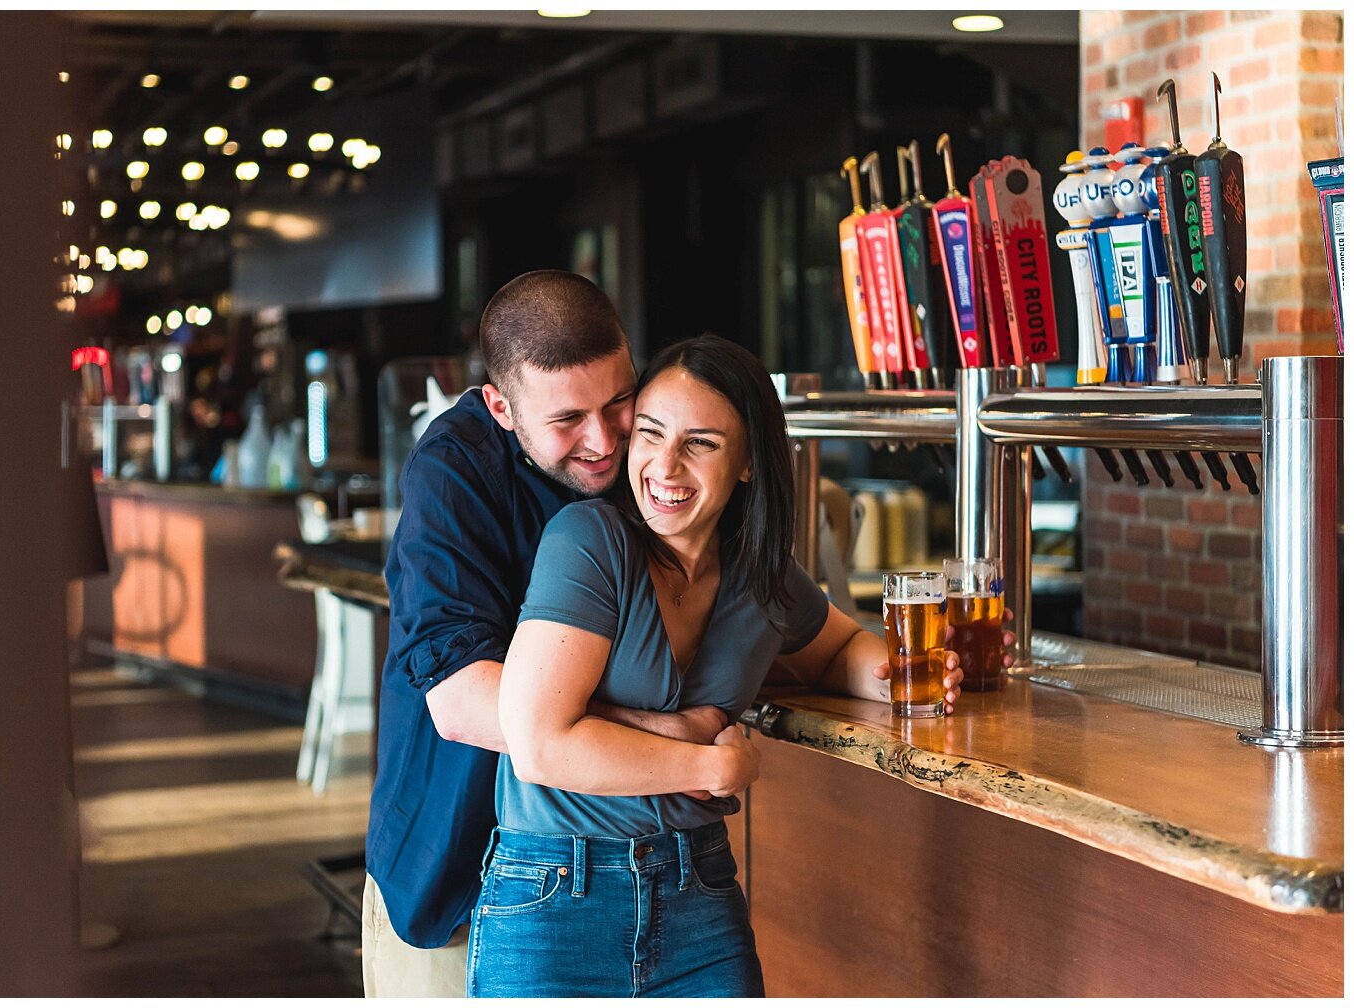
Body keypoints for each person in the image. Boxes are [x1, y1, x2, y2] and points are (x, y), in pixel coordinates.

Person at [466, 336, 965, 997]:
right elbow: (537, 745)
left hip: (698, 889)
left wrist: (905, 671)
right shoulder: (589, 540)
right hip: (557, 894)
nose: (664, 465)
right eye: (650, 434)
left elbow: (839, 651)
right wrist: (711, 765)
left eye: (700, 443)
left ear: (750, 463)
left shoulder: (761, 575)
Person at [362, 272, 742, 997]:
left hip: (620, 889)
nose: (603, 441)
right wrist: (666, 736)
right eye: (568, 419)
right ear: (502, 407)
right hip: (456, 878)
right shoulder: (452, 472)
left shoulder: (650, 452)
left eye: (618, 401)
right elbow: (460, 701)